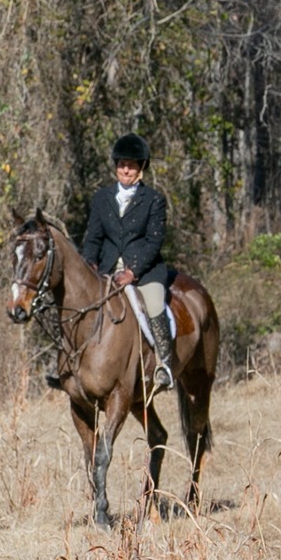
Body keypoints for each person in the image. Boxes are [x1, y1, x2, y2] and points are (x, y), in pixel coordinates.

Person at [80, 134, 179, 391]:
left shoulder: (154, 200)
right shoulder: (102, 198)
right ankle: (73, 365)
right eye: (122, 164)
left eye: (132, 165)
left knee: (156, 303)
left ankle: (163, 365)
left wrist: (133, 271)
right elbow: (93, 237)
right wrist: (89, 262)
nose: (125, 169)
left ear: (141, 168)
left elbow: (154, 242)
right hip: (107, 269)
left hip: (144, 271)